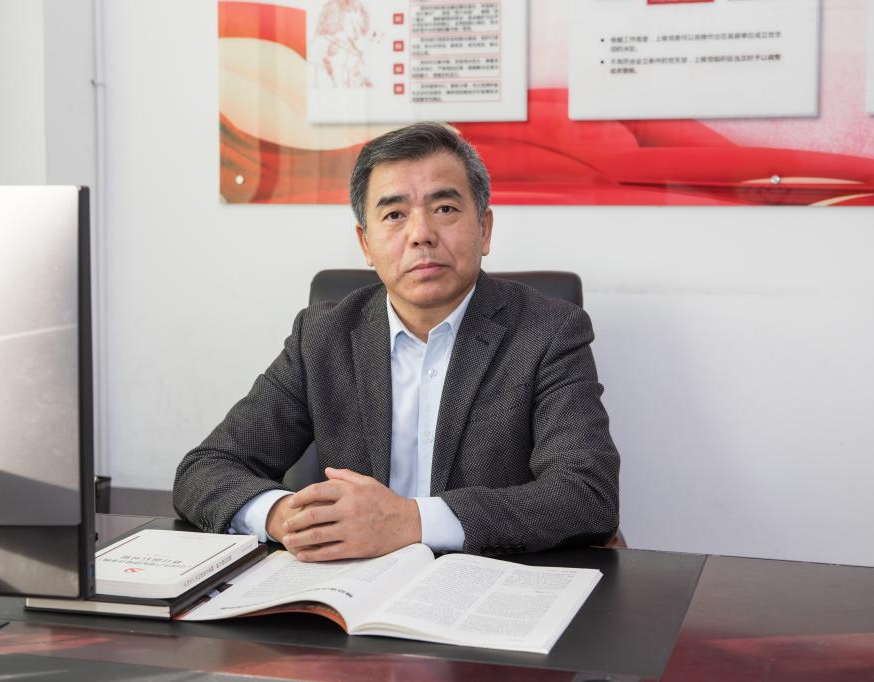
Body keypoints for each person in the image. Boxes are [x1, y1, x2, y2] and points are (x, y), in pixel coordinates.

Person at [173, 122, 619, 561]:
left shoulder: (547, 330)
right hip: (352, 584)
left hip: (489, 581)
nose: (421, 234)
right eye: (394, 215)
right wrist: (285, 517)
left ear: (484, 229)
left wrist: (410, 521)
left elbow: (587, 494)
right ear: (365, 244)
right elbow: (205, 468)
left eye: (444, 208)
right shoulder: (323, 336)